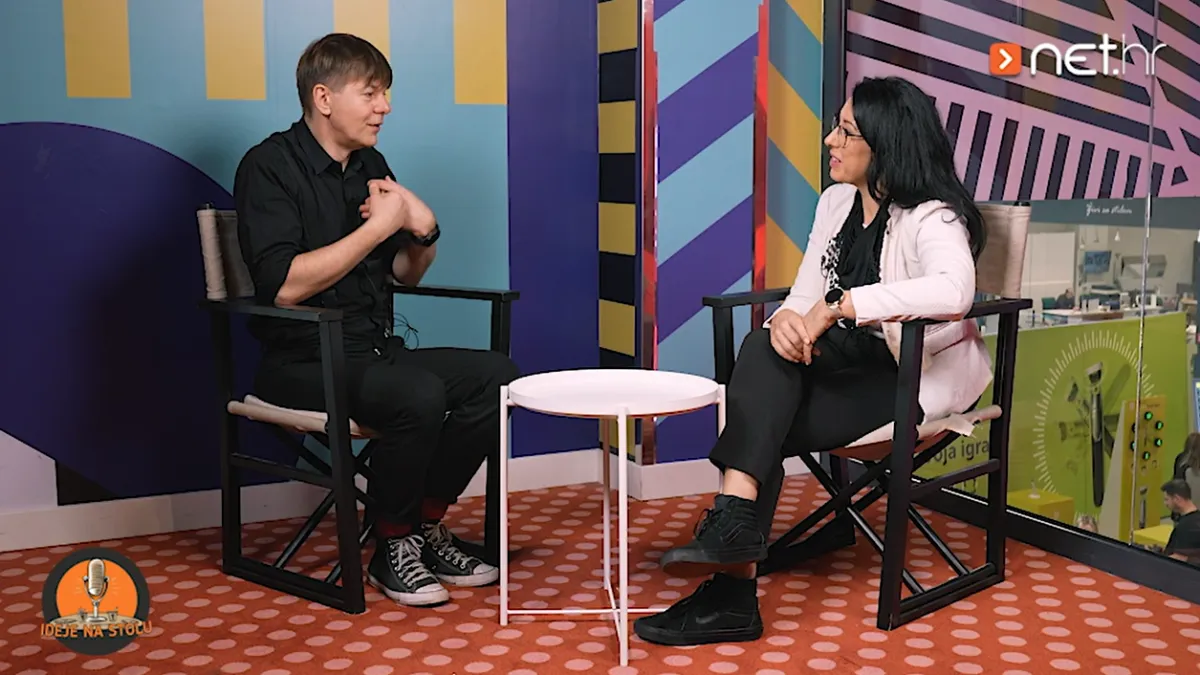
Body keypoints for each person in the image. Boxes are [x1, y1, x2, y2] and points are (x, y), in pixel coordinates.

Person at [633, 75, 992, 646]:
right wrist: (786, 324)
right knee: (761, 346)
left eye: (846, 132)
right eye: (836, 128)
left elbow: (954, 291)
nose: (830, 140)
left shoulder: (933, 216)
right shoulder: (836, 202)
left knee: (761, 417)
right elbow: (804, 295)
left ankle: (732, 589)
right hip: (837, 362)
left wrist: (843, 303)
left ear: (885, 145)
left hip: (904, 376)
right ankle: (735, 527)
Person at [233, 33, 519, 607]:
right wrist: (380, 227)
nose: (384, 107)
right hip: (301, 361)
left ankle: (424, 526)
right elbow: (284, 287)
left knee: (498, 377)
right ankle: (392, 544)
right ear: (324, 98)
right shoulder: (268, 167)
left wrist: (424, 229)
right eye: (370, 93)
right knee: (417, 393)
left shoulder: (370, 165)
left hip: (373, 350)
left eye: (384, 93)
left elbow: (404, 274)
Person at [1161, 479, 1200, 563]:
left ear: (1177, 499)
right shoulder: (1195, 519)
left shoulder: (1186, 527)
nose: (1165, 504)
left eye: (1167, 499)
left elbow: (1179, 558)